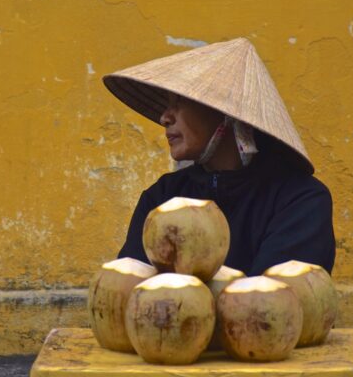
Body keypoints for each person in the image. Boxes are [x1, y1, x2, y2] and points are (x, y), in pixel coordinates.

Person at [102, 38, 335, 276]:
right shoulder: (163, 197)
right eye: (166, 105)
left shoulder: (299, 201)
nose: (164, 118)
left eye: (179, 102)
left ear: (225, 113)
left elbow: (271, 303)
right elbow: (131, 292)